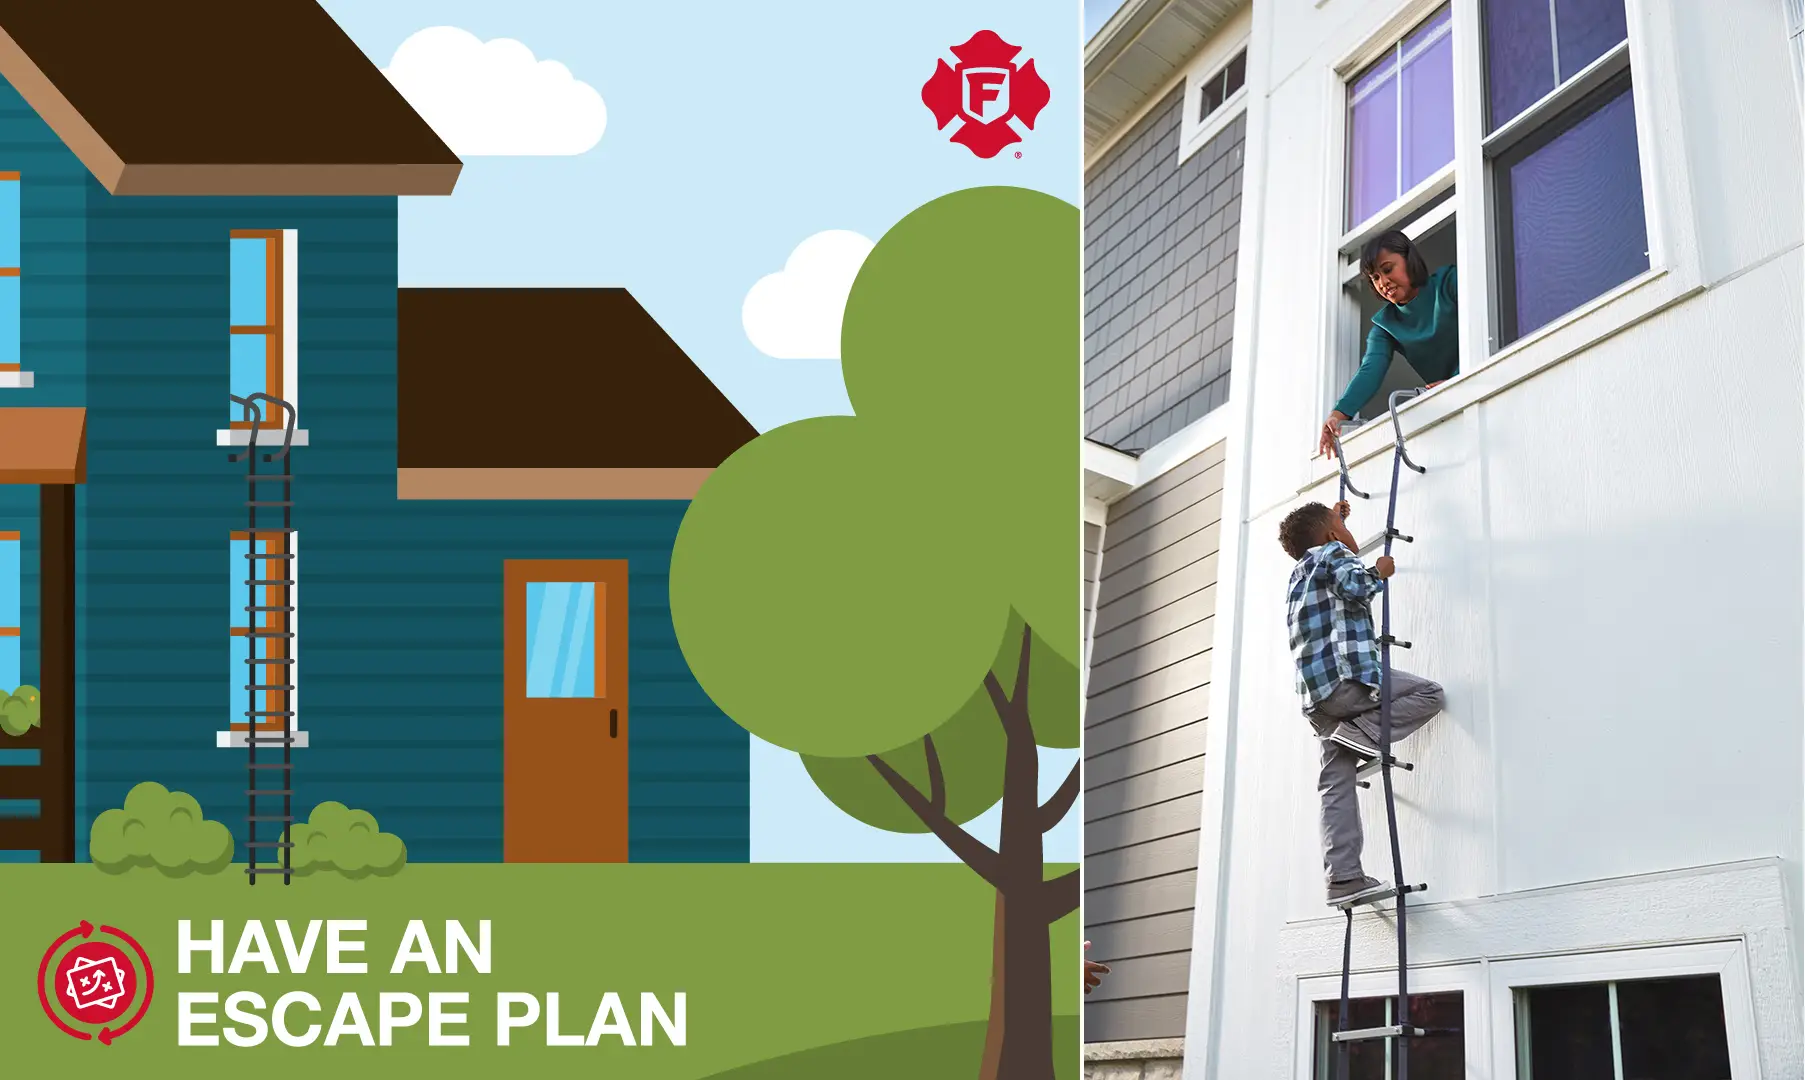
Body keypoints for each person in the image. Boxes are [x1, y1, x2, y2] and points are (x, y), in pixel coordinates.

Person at [1280, 498, 1445, 907]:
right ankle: (1360, 733)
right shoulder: (1335, 552)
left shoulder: (1299, 576)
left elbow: (1329, 548)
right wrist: (1379, 571)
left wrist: (1336, 519)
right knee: (1430, 694)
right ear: (1334, 535)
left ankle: (1344, 878)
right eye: (1341, 526)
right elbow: (1356, 585)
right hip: (1349, 681)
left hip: (1317, 701)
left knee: (1335, 786)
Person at [1317, 230, 1459, 460]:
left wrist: (1457, 379)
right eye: (1375, 277)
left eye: (1387, 269)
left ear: (1409, 260)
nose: (1383, 282)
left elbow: (1486, 324)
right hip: (1450, 401)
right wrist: (1337, 417)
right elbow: (1370, 370)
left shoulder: (1449, 282)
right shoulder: (1385, 325)